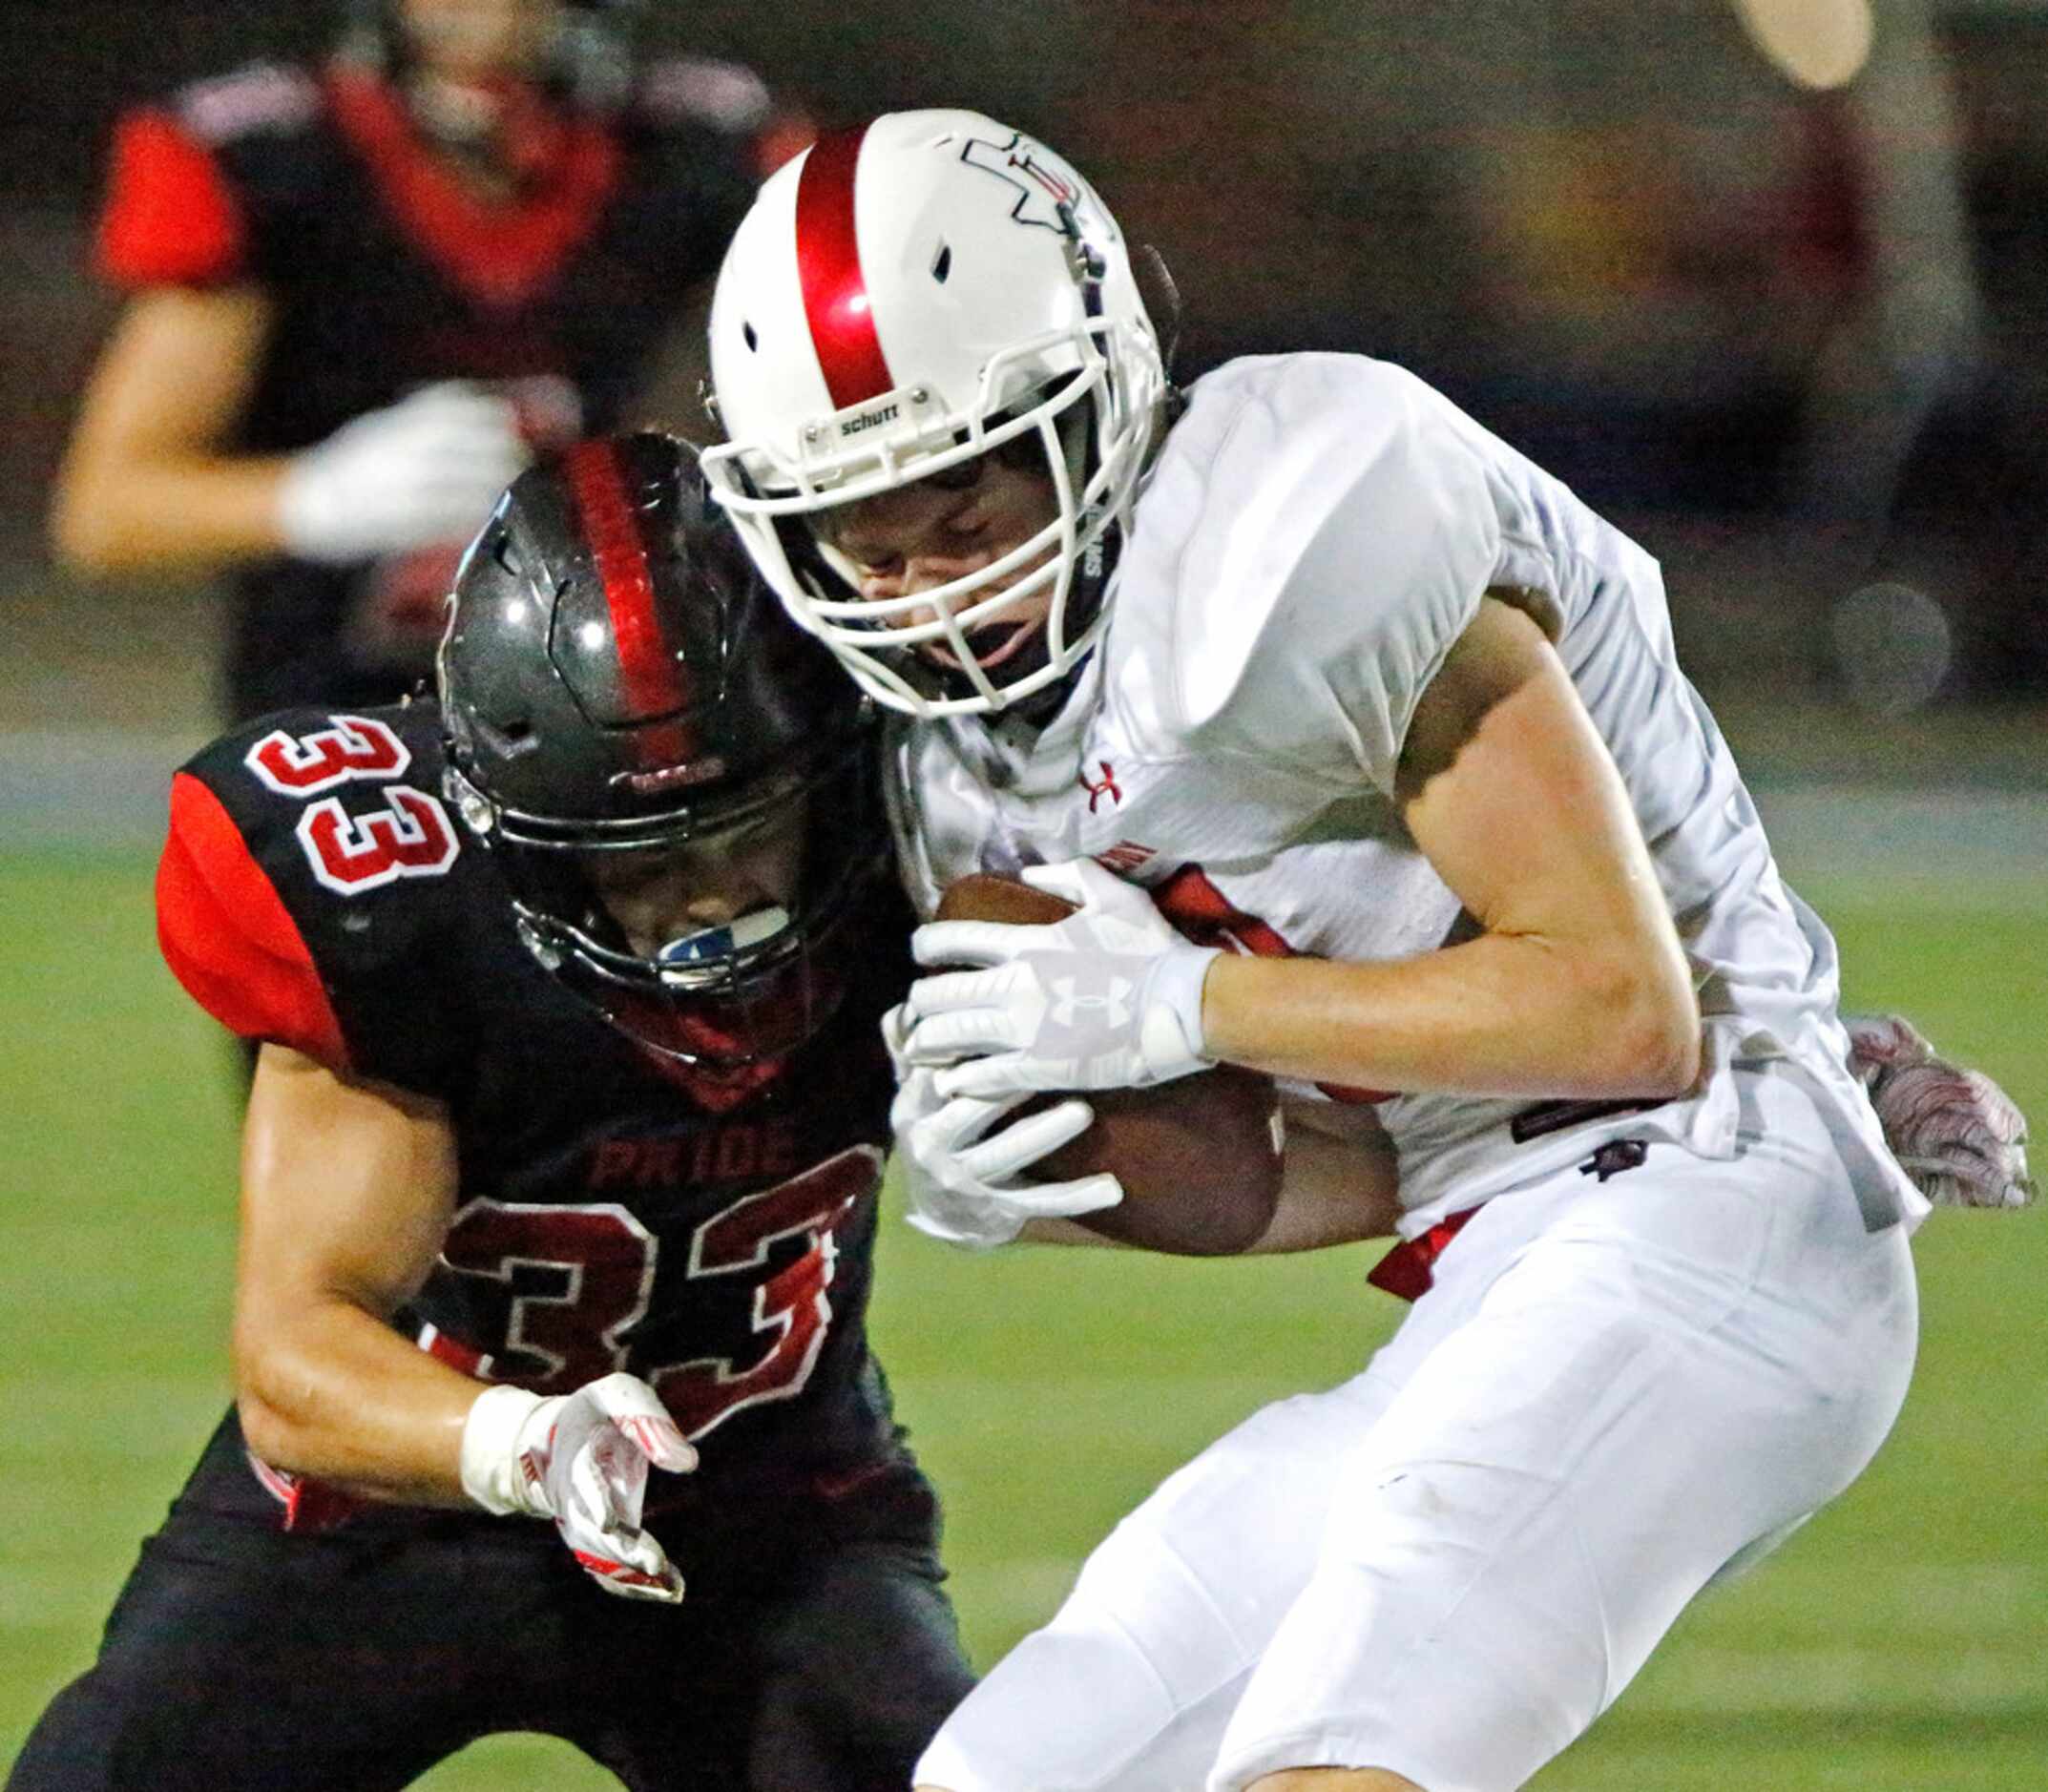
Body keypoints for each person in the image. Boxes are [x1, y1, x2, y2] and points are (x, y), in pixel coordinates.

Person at [700, 111, 2033, 1792]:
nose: (926, 590)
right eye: (862, 538)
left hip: (1710, 1197)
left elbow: (1625, 1008)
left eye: (964, 510)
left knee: (1339, 1752)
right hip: (1501, 1257)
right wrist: (1051, 1180)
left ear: (1091, 404)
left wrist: (1186, 998)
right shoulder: (951, 775)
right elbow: (1367, 1163)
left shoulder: (1289, 525)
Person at [7, 433, 976, 1791]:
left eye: (741, 831)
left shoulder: (933, 826)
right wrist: (526, 1439)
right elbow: (298, 1351)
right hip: (391, 1502)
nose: (707, 903)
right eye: (642, 859)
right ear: (516, 826)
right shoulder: (405, 907)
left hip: (765, 1516)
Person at [51, 0, 804, 727]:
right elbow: (106, 509)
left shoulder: (689, 146)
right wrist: (314, 499)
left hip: (607, 699)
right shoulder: (273, 160)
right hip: (334, 715)